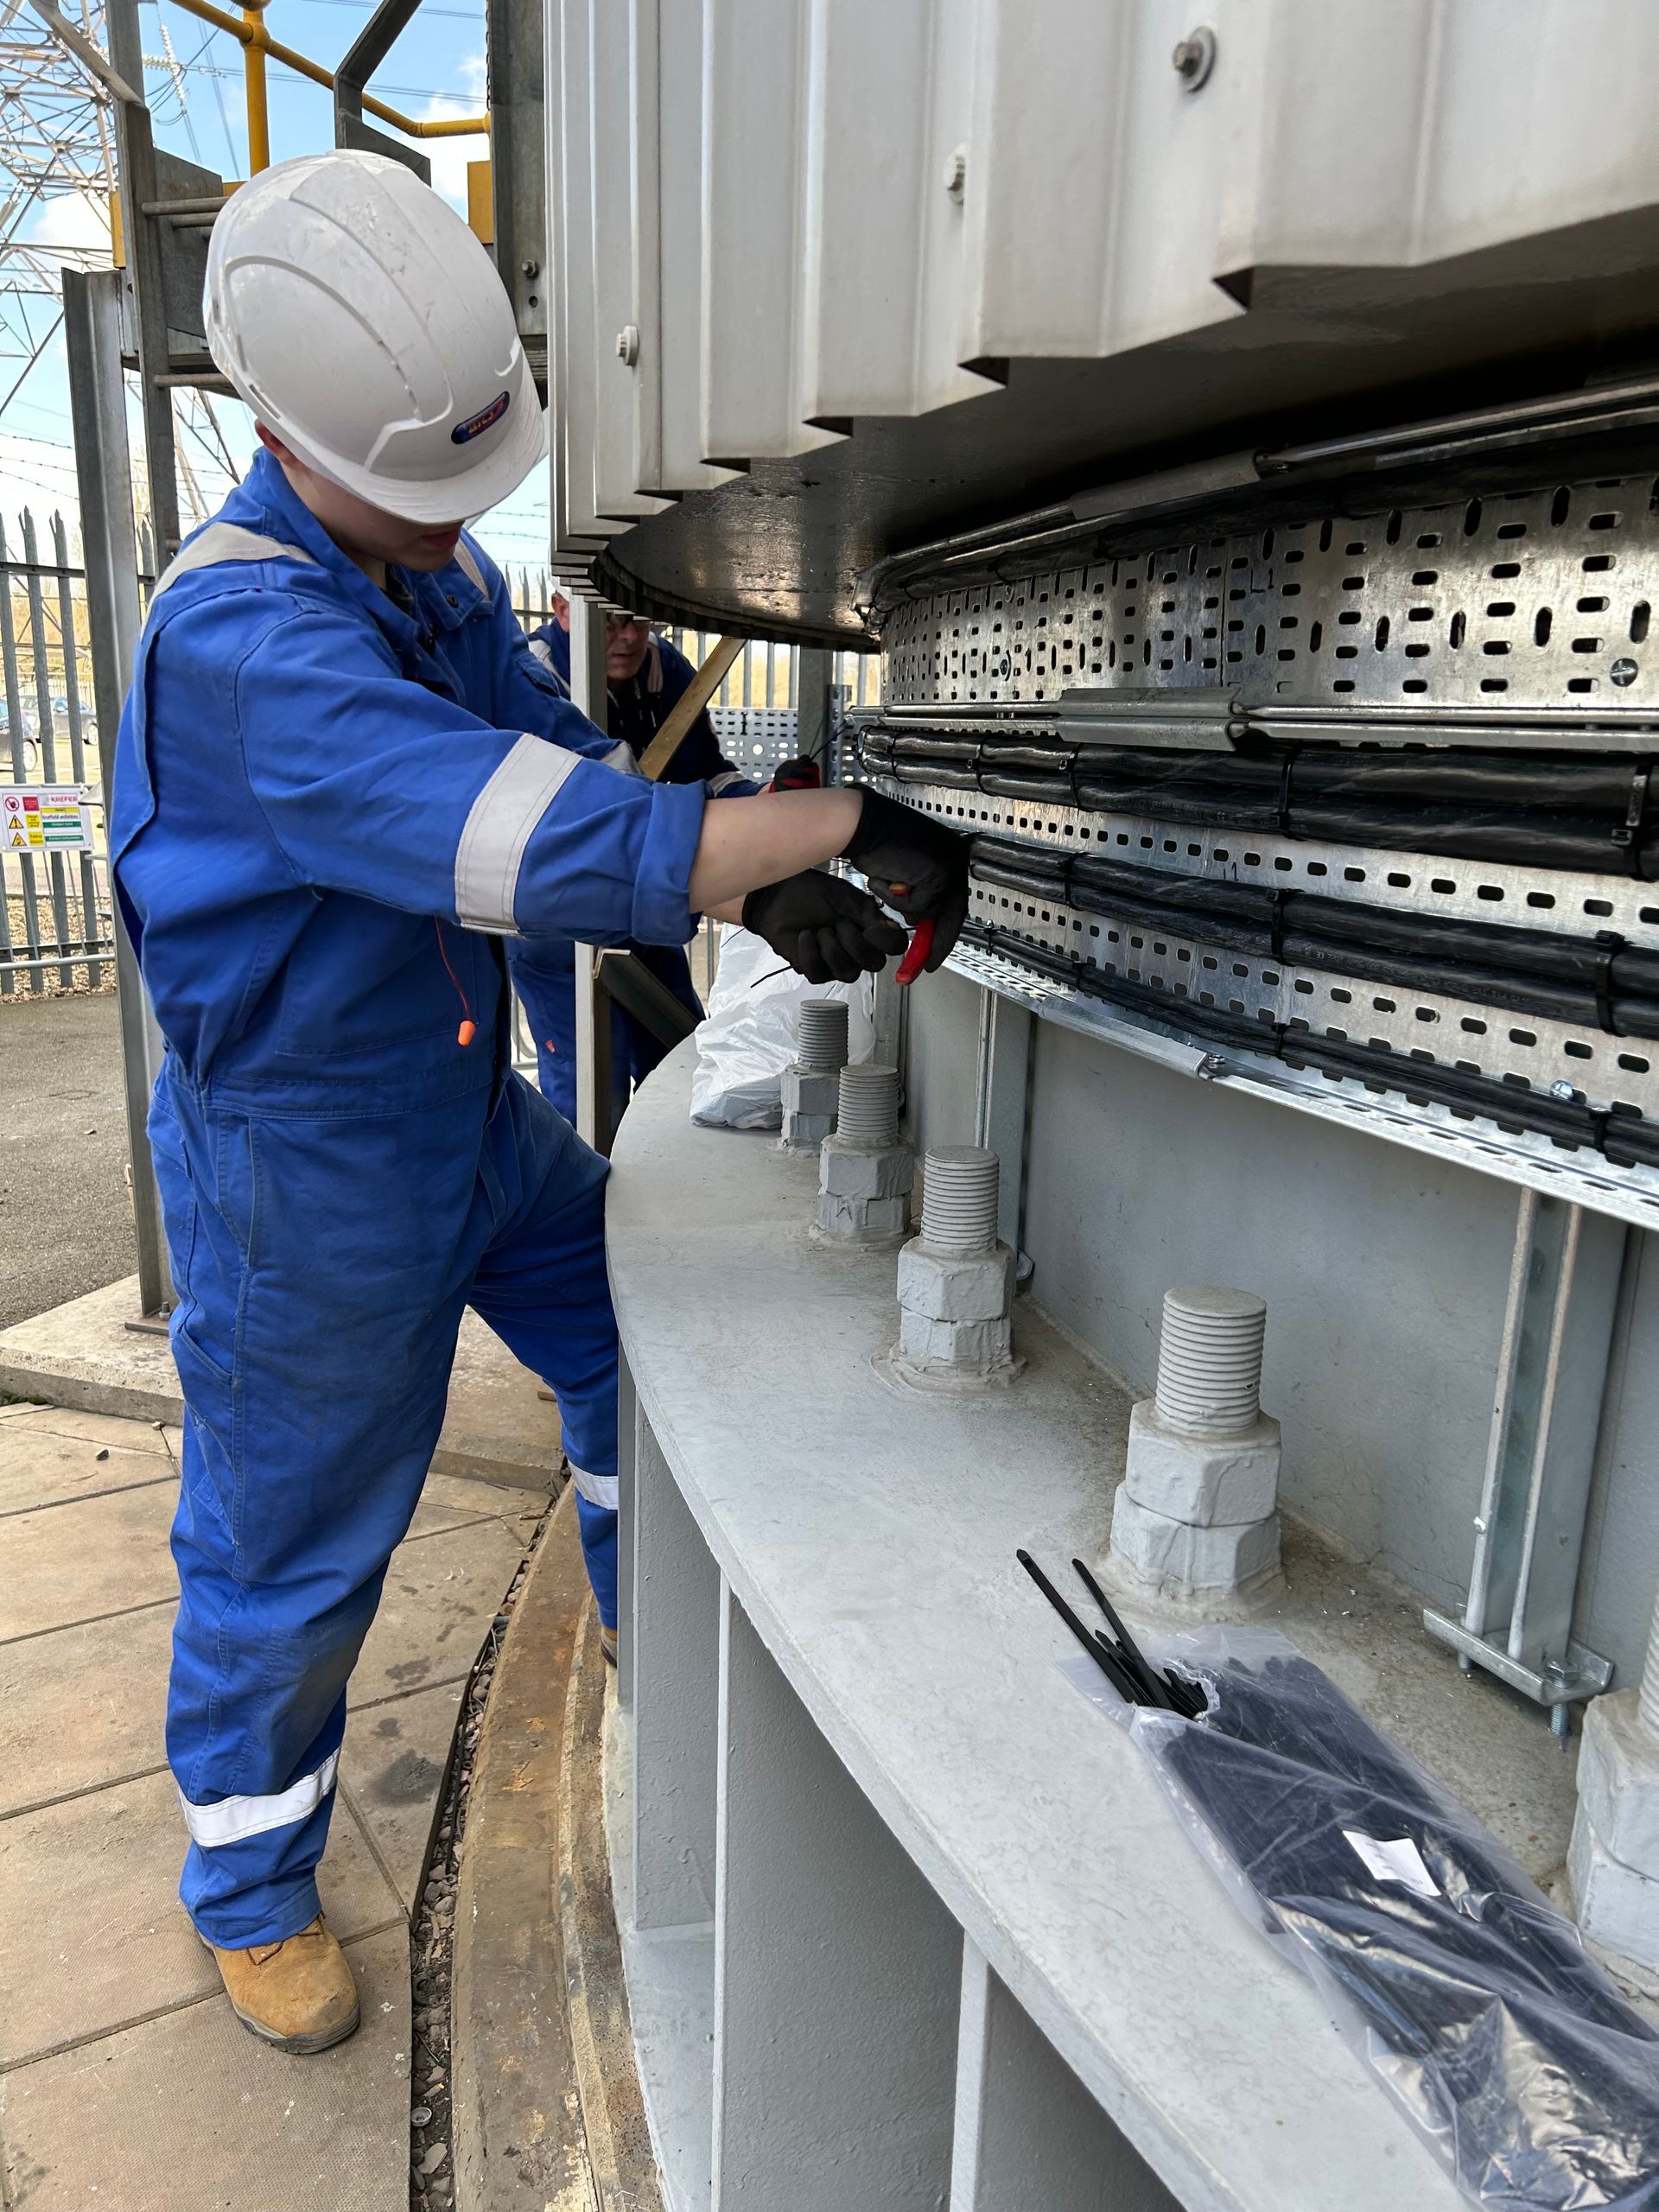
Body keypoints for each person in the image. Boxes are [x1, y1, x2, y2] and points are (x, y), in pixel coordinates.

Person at [110, 149, 968, 2055]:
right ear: (279, 423)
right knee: (299, 1533)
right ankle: (248, 1875)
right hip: (302, 1167)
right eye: (419, 496)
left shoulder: (418, 572)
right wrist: (825, 822)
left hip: (459, 1111)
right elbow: (515, 839)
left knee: (634, 1344)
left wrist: (743, 857)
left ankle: (645, 1622)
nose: (452, 530)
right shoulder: (242, 642)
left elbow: (558, 745)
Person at [509, 595, 760, 1122]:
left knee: (677, 1053)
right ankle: (591, 1202)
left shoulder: (667, 670)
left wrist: (761, 801)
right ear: (562, 609)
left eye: (638, 622)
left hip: (642, 900)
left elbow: (705, 773)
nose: (626, 638)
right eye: (611, 622)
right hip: (556, 916)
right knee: (587, 1078)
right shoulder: (528, 673)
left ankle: (670, 1191)